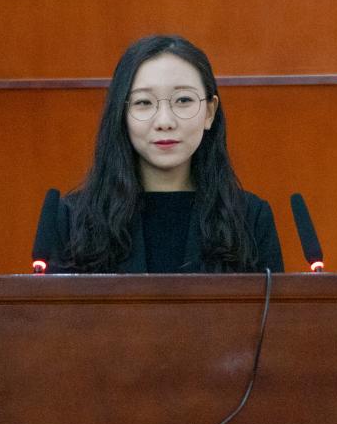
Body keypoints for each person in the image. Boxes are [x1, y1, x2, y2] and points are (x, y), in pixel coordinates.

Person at [45, 34, 284, 273]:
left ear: (209, 112)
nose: (165, 122)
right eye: (144, 103)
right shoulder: (74, 221)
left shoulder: (249, 219)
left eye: (183, 100)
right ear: (121, 114)